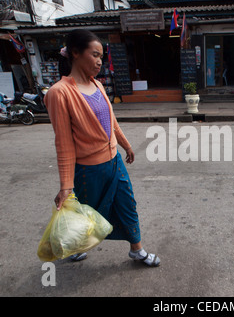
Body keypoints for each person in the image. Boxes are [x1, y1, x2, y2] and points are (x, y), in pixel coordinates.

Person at [44, 29, 160, 267]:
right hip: (88, 171)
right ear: (75, 53)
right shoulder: (59, 93)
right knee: (86, 215)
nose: (99, 61)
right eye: (95, 55)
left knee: (127, 204)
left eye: (101, 56)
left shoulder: (98, 85)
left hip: (114, 163)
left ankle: (137, 250)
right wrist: (66, 185)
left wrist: (126, 145)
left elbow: (111, 121)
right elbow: (64, 143)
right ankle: (74, 247)